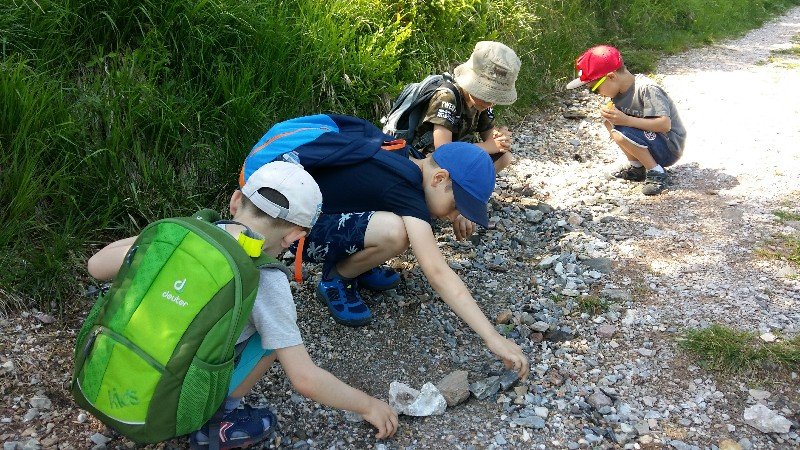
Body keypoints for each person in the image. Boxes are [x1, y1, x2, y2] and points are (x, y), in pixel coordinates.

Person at [87, 162, 398, 449]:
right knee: (273, 337)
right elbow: (305, 379)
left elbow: (96, 266)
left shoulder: (182, 238)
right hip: (171, 404)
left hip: (106, 374)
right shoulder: (265, 277)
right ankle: (216, 421)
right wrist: (368, 405)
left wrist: (160, 235)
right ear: (295, 236)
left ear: (236, 201)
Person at [277, 142, 530, 380]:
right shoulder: (405, 189)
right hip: (298, 233)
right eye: (457, 205)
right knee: (397, 232)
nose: (455, 215)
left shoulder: (409, 157)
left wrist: (460, 207)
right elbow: (437, 272)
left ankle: (359, 262)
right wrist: (491, 336)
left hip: (317, 211)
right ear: (439, 178)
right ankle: (336, 278)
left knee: (406, 225)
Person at [566, 45, 686, 196]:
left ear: (611, 77)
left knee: (621, 132)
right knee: (610, 123)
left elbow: (664, 125)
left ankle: (657, 172)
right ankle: (638, 168)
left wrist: (626, 120)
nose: (597, 94)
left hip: (669, 146)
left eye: (595, 89)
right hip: (652, 141)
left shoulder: (646, 89)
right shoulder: (618, 93)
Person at [411, 41, 521, 175]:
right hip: (432, 162)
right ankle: (458, 187)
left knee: (504, 157)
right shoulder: (447, 97)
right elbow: (443, 150)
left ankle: (470, 186)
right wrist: (487, 147)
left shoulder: (481, 103)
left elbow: (489, 133)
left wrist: (500, 138)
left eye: (495, 98)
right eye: (487, 96)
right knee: (447, 168)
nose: (491, 103)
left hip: (460, 155)